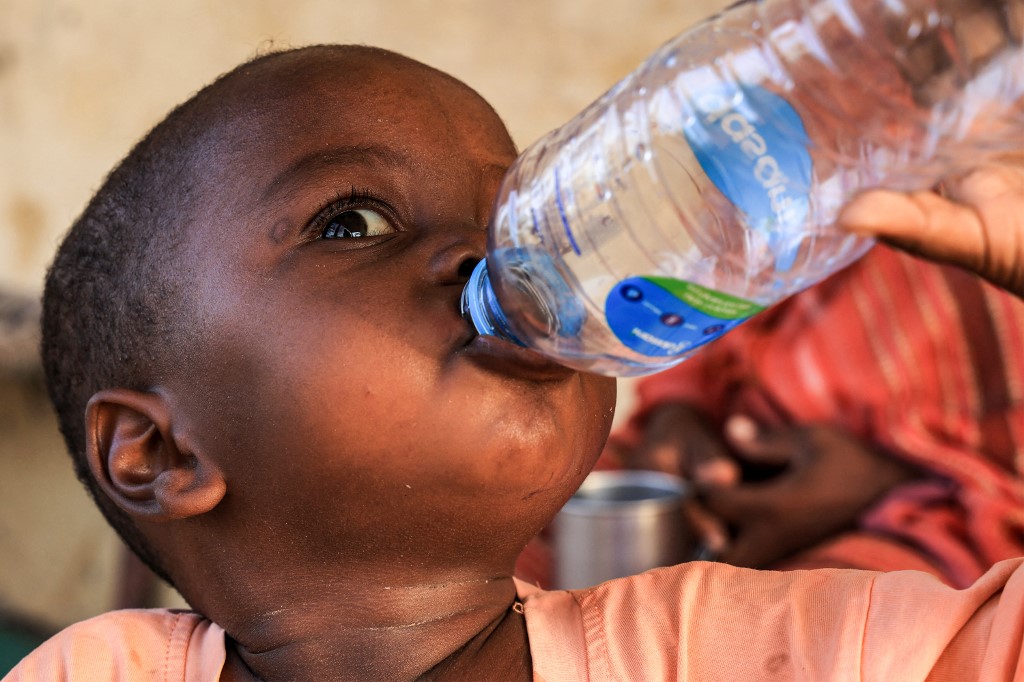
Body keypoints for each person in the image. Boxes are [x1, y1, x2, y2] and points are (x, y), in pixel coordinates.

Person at [5, 44, 1024, 681]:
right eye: (352, 221)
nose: (499, 255)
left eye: (511, 213)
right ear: (157, 450)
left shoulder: (754, 649)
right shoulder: (100, 670)